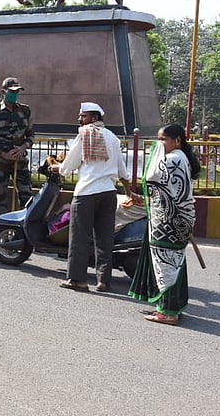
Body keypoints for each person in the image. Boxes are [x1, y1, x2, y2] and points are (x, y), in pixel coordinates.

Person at [49, 102, 140, 293]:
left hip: (86, 193)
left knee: (79, 237)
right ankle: (104, 281)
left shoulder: (84, 135)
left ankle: (77, 280)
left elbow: (68, 167)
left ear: (95, 118)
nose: (79, 119)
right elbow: (121, 170)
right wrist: (129, 191)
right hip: (108, 193)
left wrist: (58, 167)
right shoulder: (113, 138)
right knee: (105, 238)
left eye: (83, 116)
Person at [129, 124, 200, 325]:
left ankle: (168, 312)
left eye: (162, 140)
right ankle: (174, 305)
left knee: (165, 263)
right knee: (174, 262)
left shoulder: (172, 159)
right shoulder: (181, 158)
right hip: (177, 220)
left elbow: (150, 179)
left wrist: (154, 153)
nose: (158, 144)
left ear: (177, 140)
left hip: (169, 222)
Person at [0, 77, 35, 216]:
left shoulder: (25, 111)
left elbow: (31, 136)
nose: (14, 94)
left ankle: (25, 229)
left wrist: (23, 147)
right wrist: (2, 154)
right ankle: (3, 229)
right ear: (3, 92)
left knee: (27, 197)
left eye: (17, 91)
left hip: (20, 162)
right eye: (11, 91)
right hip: (1, 164)